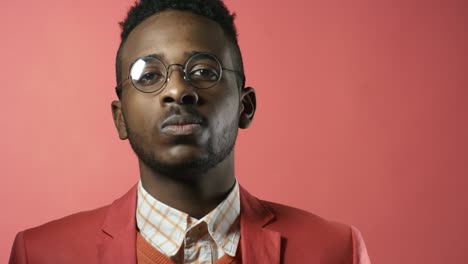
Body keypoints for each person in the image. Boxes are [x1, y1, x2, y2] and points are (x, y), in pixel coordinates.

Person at [9, 0, 371, 263]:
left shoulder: (336, 251)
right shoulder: (40, 254)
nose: (177, 89)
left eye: (203, 71)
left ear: (245, 107)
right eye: (149, 75)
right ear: (120, 118)